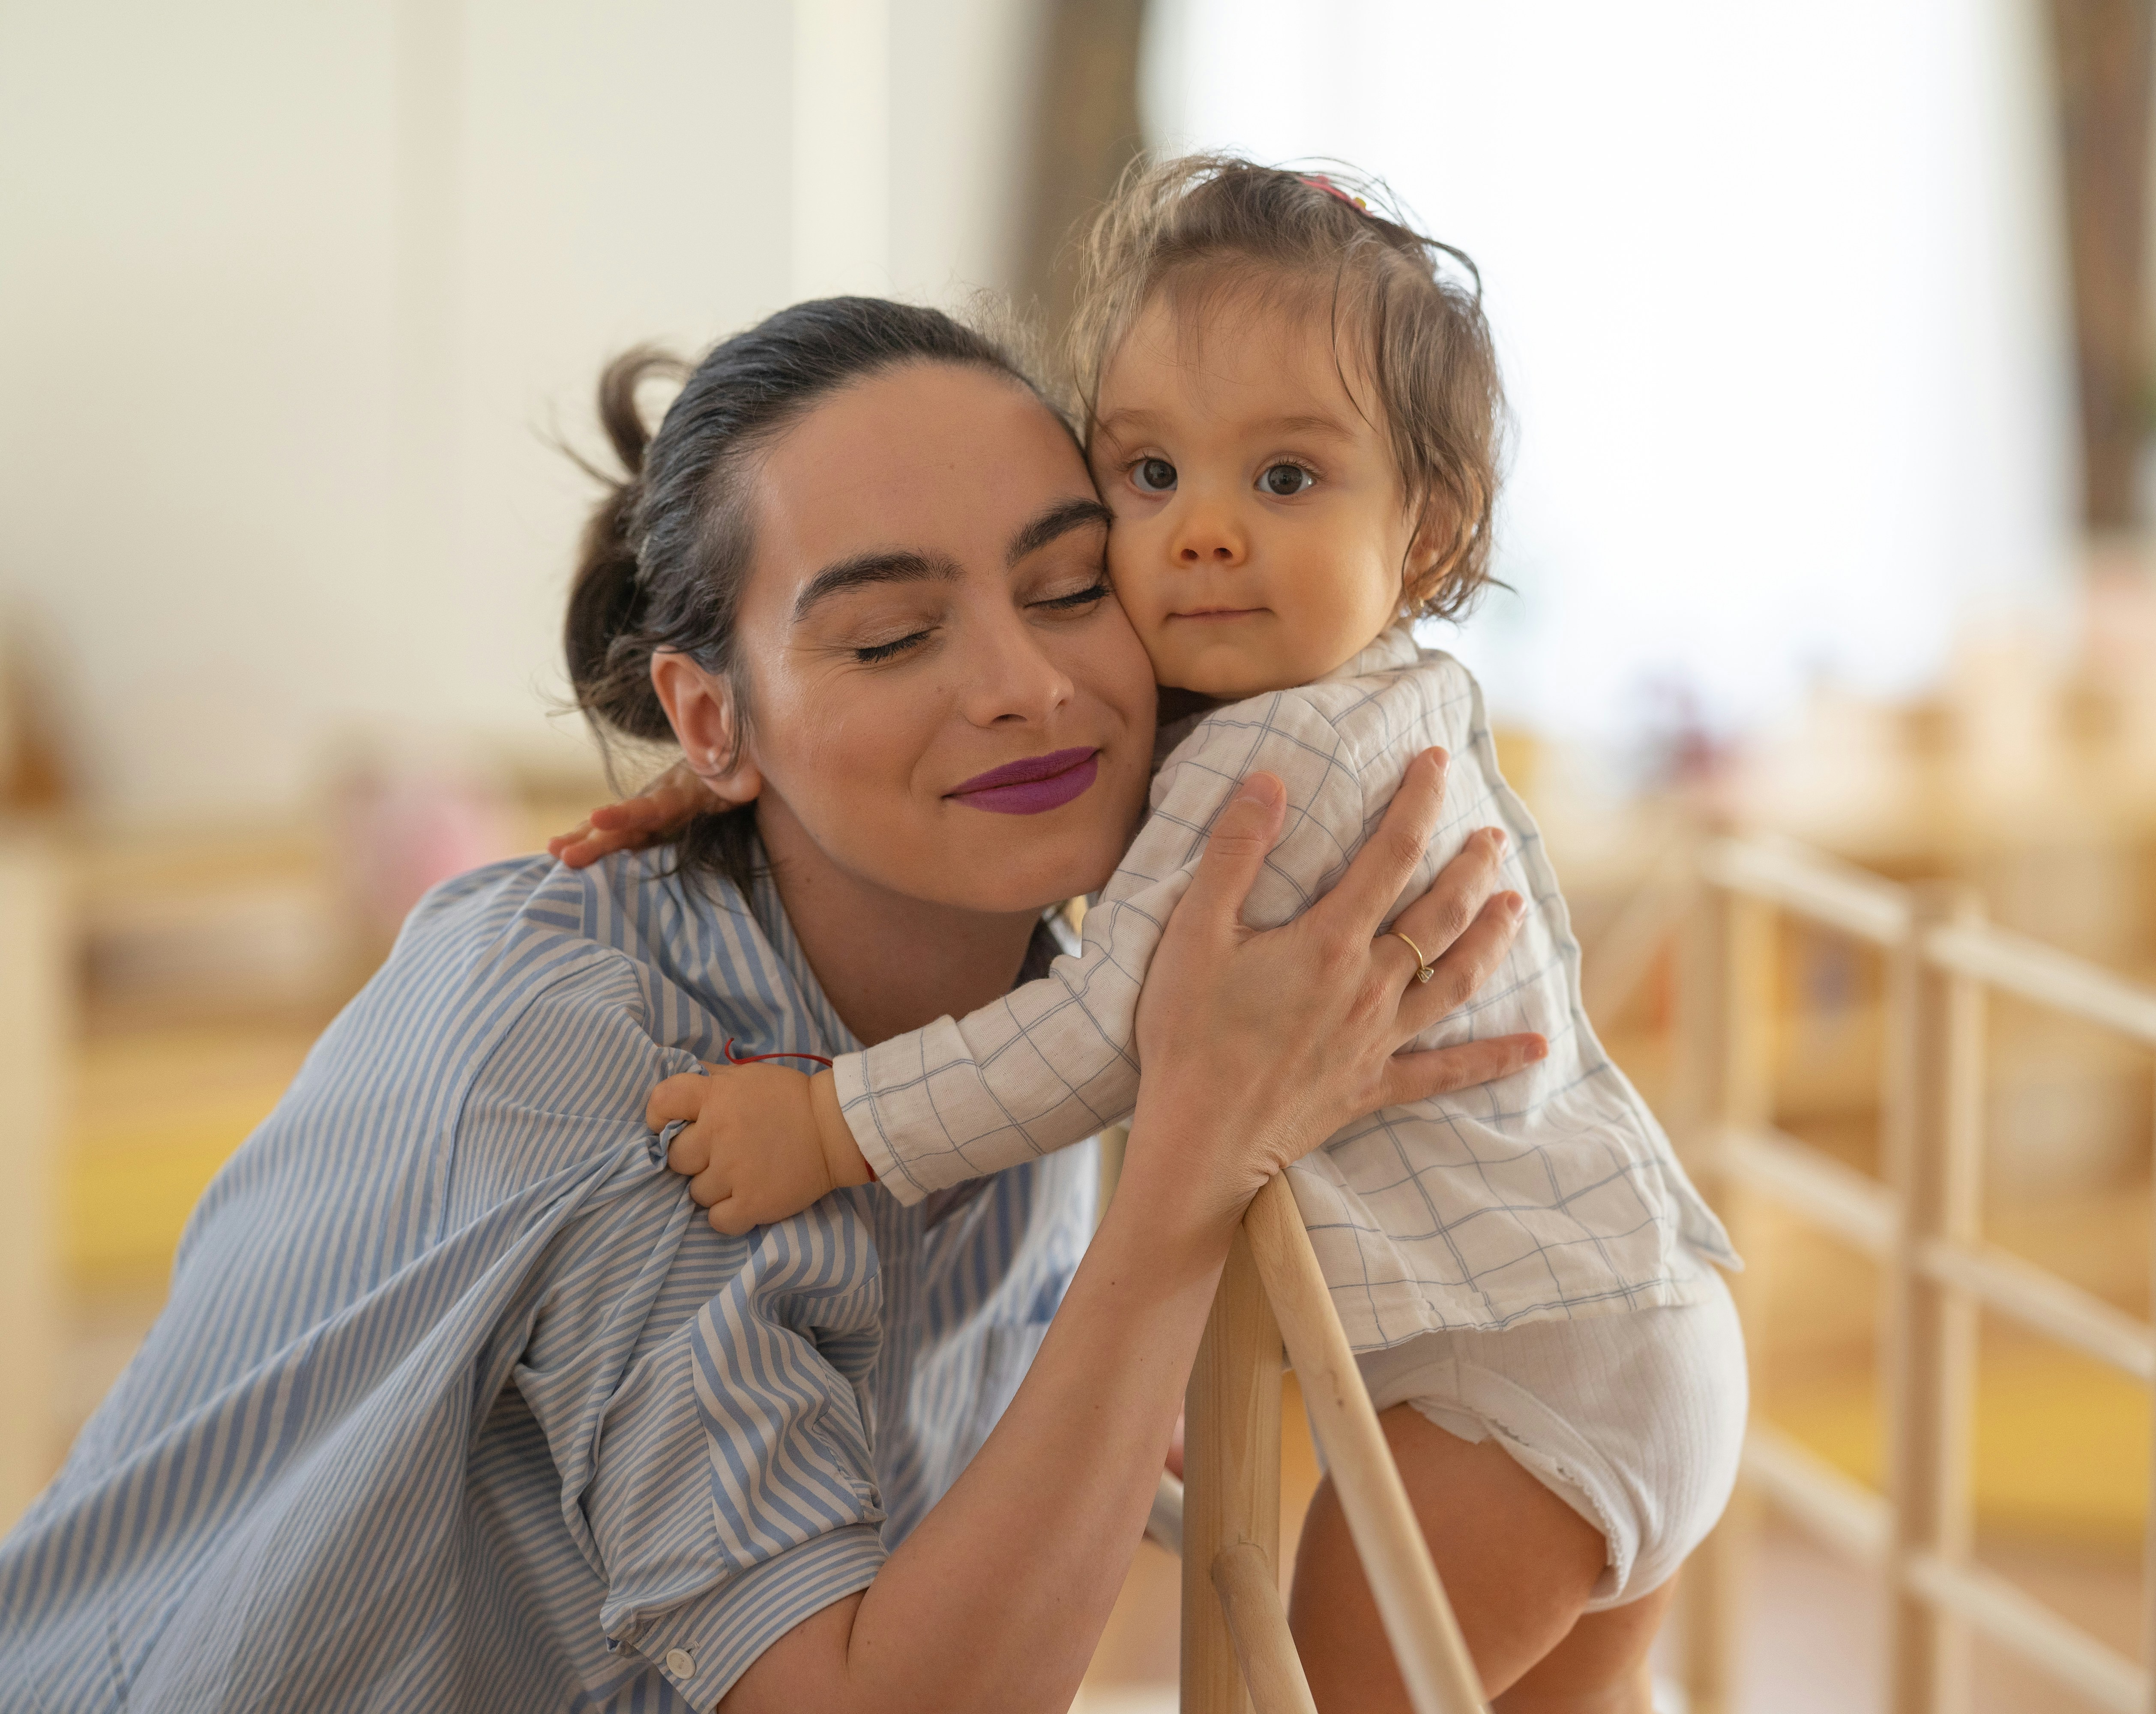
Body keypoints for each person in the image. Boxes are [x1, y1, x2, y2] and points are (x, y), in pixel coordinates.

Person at [0, 297, 1539, 1713]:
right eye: (889, 638)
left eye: (1071, 587)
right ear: (709, 721)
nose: (1029, 685)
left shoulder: (1026, 981)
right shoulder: (617, 1078)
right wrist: (1187, 1191)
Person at [558, 157, 1749, 1713]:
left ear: (1433, 537)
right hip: (1629, 1339)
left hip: (1515, 1395)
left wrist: (828, 1125)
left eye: (1286, 481)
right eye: (1148, 475)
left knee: (1289, 1692)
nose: (1200, 536)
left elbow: (1103, 1027)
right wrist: (742, 775)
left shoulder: (1271, 768)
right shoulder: (1377, 700)